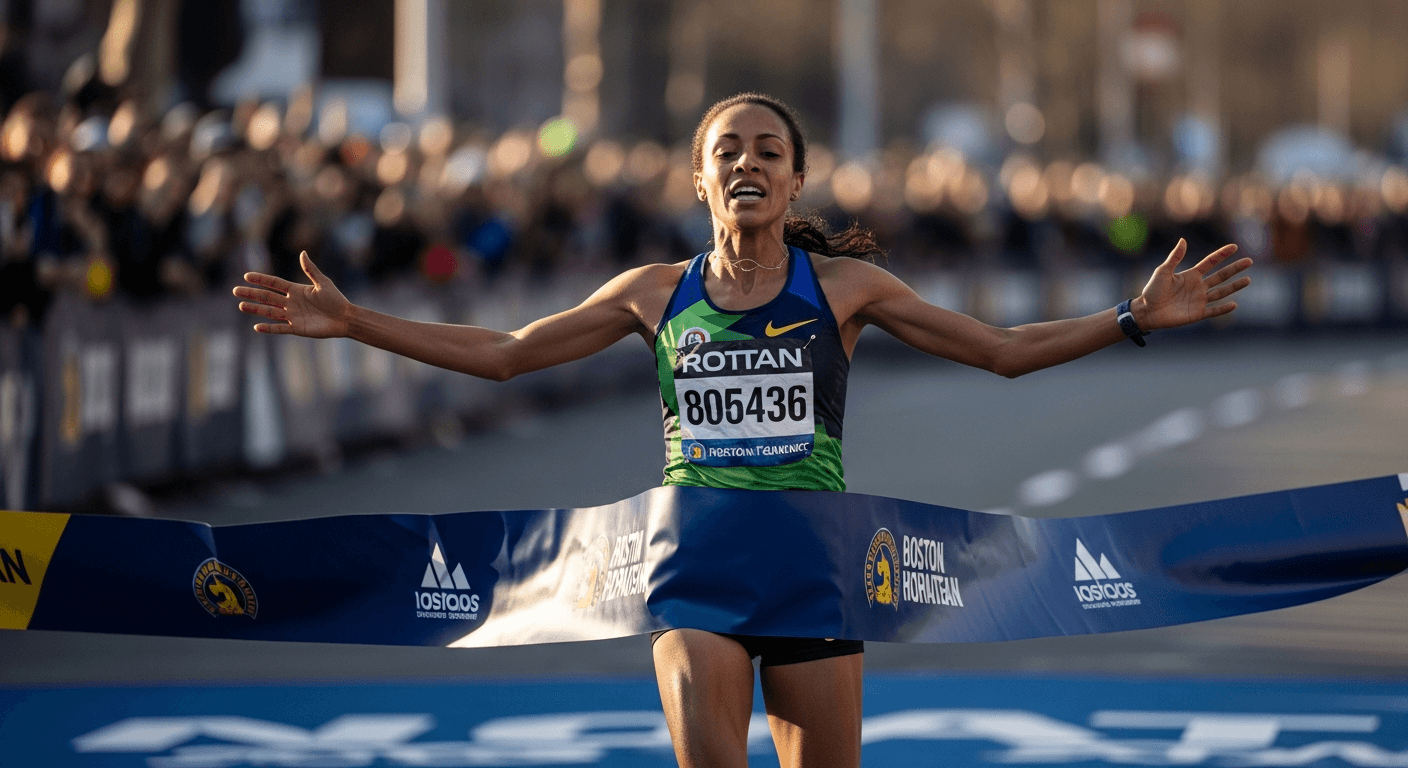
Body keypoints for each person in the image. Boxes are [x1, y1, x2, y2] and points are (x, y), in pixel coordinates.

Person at [233, 92, 1252, 768]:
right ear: (701, 180)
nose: (748, 163)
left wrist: (1130, 319)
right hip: (696, 567)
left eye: (769, 151)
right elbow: (507, 352)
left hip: (813, 565)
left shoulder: (845, 288)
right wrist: (357, 322)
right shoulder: (651, 294)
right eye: (728, 151)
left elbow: (999, 350)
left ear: (796, 181)